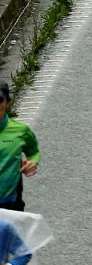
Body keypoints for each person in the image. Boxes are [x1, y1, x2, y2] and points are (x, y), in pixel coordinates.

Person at [0, 81, 39, 212]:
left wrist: (32, 162)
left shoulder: (21, 130)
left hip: (11, 205)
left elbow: (34, 152)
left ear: (7, 103)